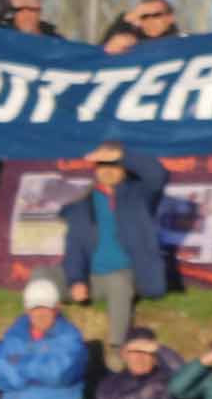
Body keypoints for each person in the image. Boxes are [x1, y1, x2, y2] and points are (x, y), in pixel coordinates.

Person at [58, 145, 167, 344]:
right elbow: (74, 248)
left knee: (118, 282)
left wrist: (121, 154)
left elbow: (157, 175)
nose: (107, 170)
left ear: (125, 169)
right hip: (94, 279)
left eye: (114, 165)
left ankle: (117, 348)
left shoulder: (139, 196)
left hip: (126, 273)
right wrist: (76, 280)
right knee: (40, 276)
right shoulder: (82, 205)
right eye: (102, 165)